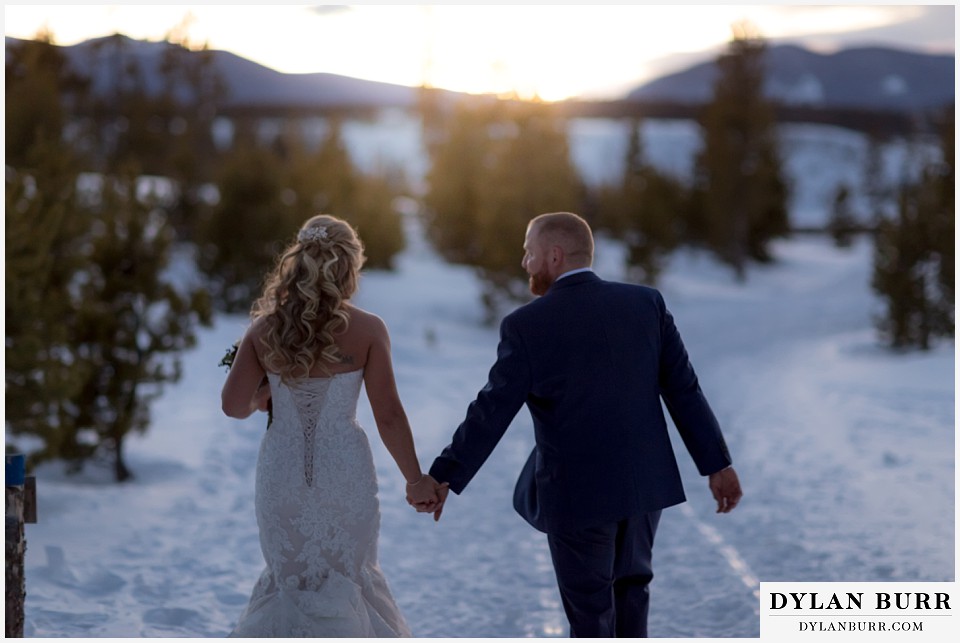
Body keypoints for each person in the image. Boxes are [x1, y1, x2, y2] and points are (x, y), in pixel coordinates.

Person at [423, 211, 743, 638]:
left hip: (578, 494)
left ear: (554, 256)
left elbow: (491, 411)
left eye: (528, 253)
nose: (524, 263)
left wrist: (445, 475)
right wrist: (717, 465)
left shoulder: (526, 325)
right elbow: (684, 389)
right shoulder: (646, 303)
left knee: (591, 619)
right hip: (644, 487)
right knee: (632, 597)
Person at [221, 214, 441, 637]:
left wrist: (266, 394)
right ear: (349, 267)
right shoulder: (369, 329)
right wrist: (415, 480)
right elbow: (389, 414)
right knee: (350, 581)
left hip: (281, 472)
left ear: (297, 261)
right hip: (346, 473)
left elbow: (233, 406)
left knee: (290, 584)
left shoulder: (265, 329)